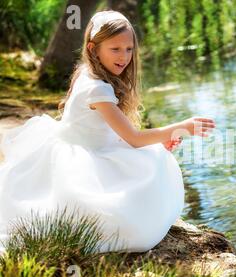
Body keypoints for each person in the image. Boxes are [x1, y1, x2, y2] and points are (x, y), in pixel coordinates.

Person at [0, 10, 215, 254]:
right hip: (81, 157)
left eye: (129, 49)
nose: (124, 57)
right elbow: (133, 139)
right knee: (143, 191)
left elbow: (112, 131)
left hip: (89, 144)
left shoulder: (86, 71)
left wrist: (159, 139)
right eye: (115, 49)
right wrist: (181, 128)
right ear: (93, 49)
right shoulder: (97, 89)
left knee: (154, 154)